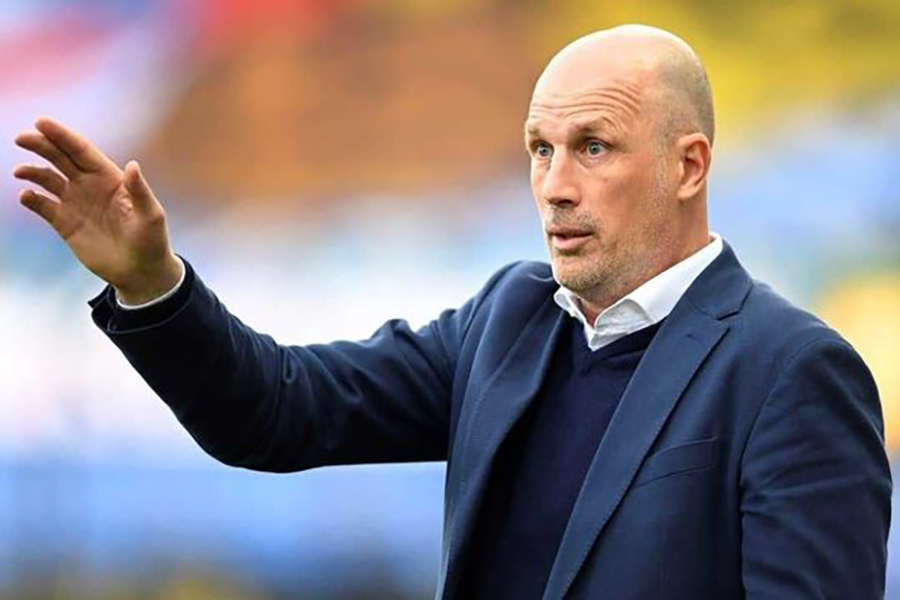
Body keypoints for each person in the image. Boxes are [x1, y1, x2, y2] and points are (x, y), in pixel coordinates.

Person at [13, 24, 891, 600]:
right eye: (540, 150)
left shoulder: (791, 370)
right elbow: (275, 411)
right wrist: (153, 283)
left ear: (688, 166)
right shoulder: (507, 320)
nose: (555, 186)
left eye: (593, 148)